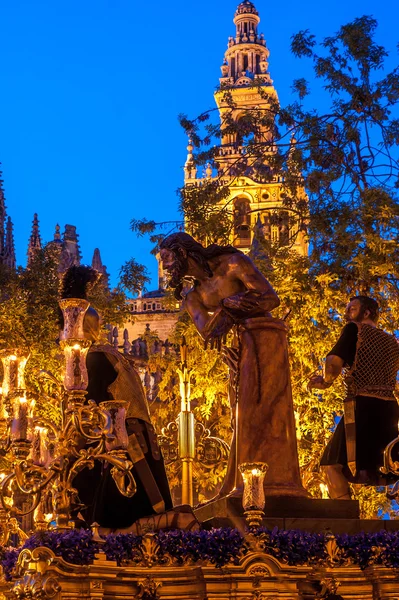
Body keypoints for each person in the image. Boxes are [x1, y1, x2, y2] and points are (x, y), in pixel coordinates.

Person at [160, 233, 306, 499]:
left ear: (182, 253)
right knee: (243, 413)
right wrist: (231, 308)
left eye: (167, 258)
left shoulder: (233, 263)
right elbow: (207, 332)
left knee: (267, 408)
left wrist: (227, 307)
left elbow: (270, 299)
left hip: (265, 337)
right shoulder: (193, 296)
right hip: (237, 352)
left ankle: (275, 483)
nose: (166, 267)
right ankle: (245, 484)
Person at [59, 266, 173, 529]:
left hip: (122, 457)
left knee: (110, 529)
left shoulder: (95, 360)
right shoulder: (112, 355)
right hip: (138, 451)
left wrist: (69, 463)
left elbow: (86, 422)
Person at [309, 296, 399, 499]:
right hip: (389, 410)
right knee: (390, 466)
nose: (347, 313)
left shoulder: (354, 330)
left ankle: (347, 524)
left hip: (362, 407)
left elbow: (332, 362)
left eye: (352, 308)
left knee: (331, 464)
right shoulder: (393, 342)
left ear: (366, 312)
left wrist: (325, 381)